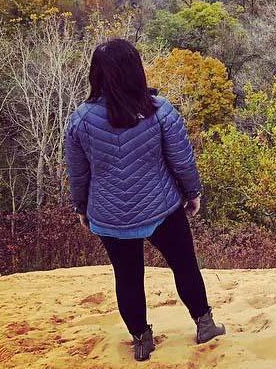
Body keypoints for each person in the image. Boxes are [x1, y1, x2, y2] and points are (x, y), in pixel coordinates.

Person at [65, 39, 225, 362]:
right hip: (162, 209)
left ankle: (141, 340)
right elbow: (182, 161)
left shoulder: (80, 120)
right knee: (184, 266)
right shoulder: (159, 111)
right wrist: (192, 193)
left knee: (127, 278)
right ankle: (204, 324)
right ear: (136, 70)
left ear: (96, 75)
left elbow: (78, 174)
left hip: (110, 217)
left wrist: (82, 208)